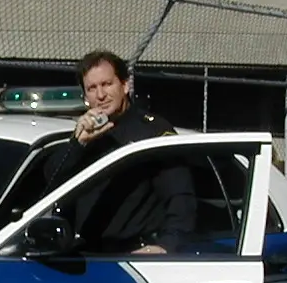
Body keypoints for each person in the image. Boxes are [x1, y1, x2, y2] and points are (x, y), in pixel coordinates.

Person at [41, 49, 196, 255]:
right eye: (92, 88)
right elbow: (51, 181)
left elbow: (180, 196)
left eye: (107, 84)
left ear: (125, 85)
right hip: (87, 255)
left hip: (136, 257)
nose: (101, 95)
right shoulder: (86, 133)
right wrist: (78, 145)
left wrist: (166, 245)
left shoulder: (152, 131)